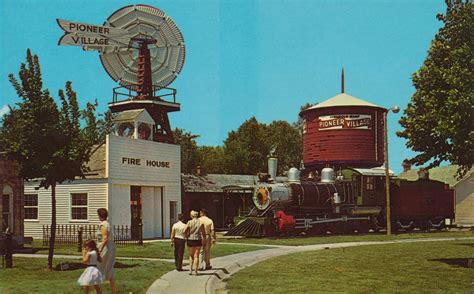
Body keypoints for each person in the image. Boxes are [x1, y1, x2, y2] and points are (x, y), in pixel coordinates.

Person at [97, 208, 117, 294]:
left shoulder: (103, 225)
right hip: (111, 248)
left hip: (105, 249)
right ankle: (113, 292)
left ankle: (99, 292)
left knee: (99, 269)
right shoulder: (108, 224)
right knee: (109, 269)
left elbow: (105, 238)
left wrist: (99, 251)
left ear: (100, 216)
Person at [185, 210, 205, 276]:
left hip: (190, 239)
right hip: (198, 239)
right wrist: (204, 238)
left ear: (192, 215)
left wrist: (187, 235)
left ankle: (190, 270)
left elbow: (185, 230)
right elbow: (203, 232)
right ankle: (196, 271)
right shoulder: (200, 222)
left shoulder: (189, 222)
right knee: (196, 256)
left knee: (191, 255)